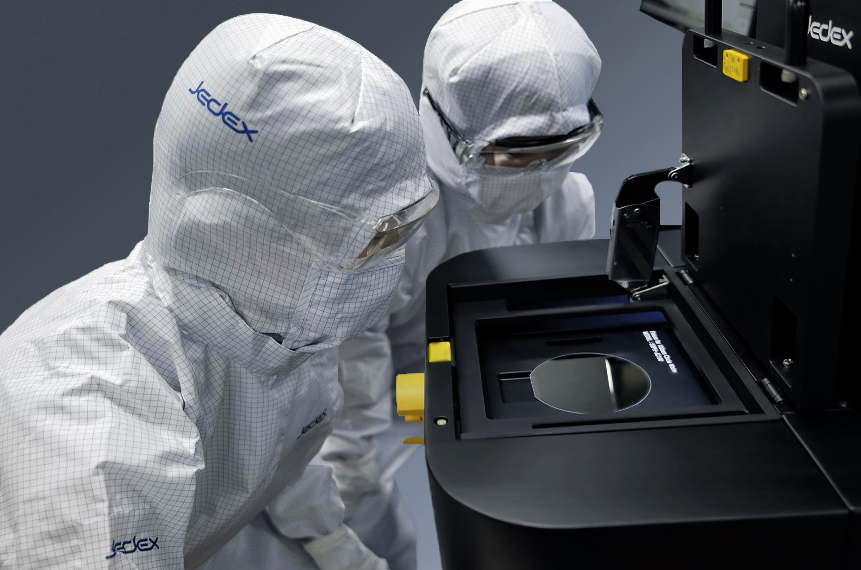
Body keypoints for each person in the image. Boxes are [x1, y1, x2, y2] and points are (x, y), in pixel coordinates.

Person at [0, 13, 438, 570]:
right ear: (239, 231)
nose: (388, 260)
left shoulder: (280, 324)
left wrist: (337, 549)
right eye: (375, 238)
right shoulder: (83, 415)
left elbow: (284, 462)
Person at [317, 0, 603, 567]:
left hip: (497, 406)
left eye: (560, 151)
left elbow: (556, 335)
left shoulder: (566, 203)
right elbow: (348, 383)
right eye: (511, 157)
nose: (539, 176)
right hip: (381, 416)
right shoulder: (389, 220)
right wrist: (350, 488)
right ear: (442, 127)